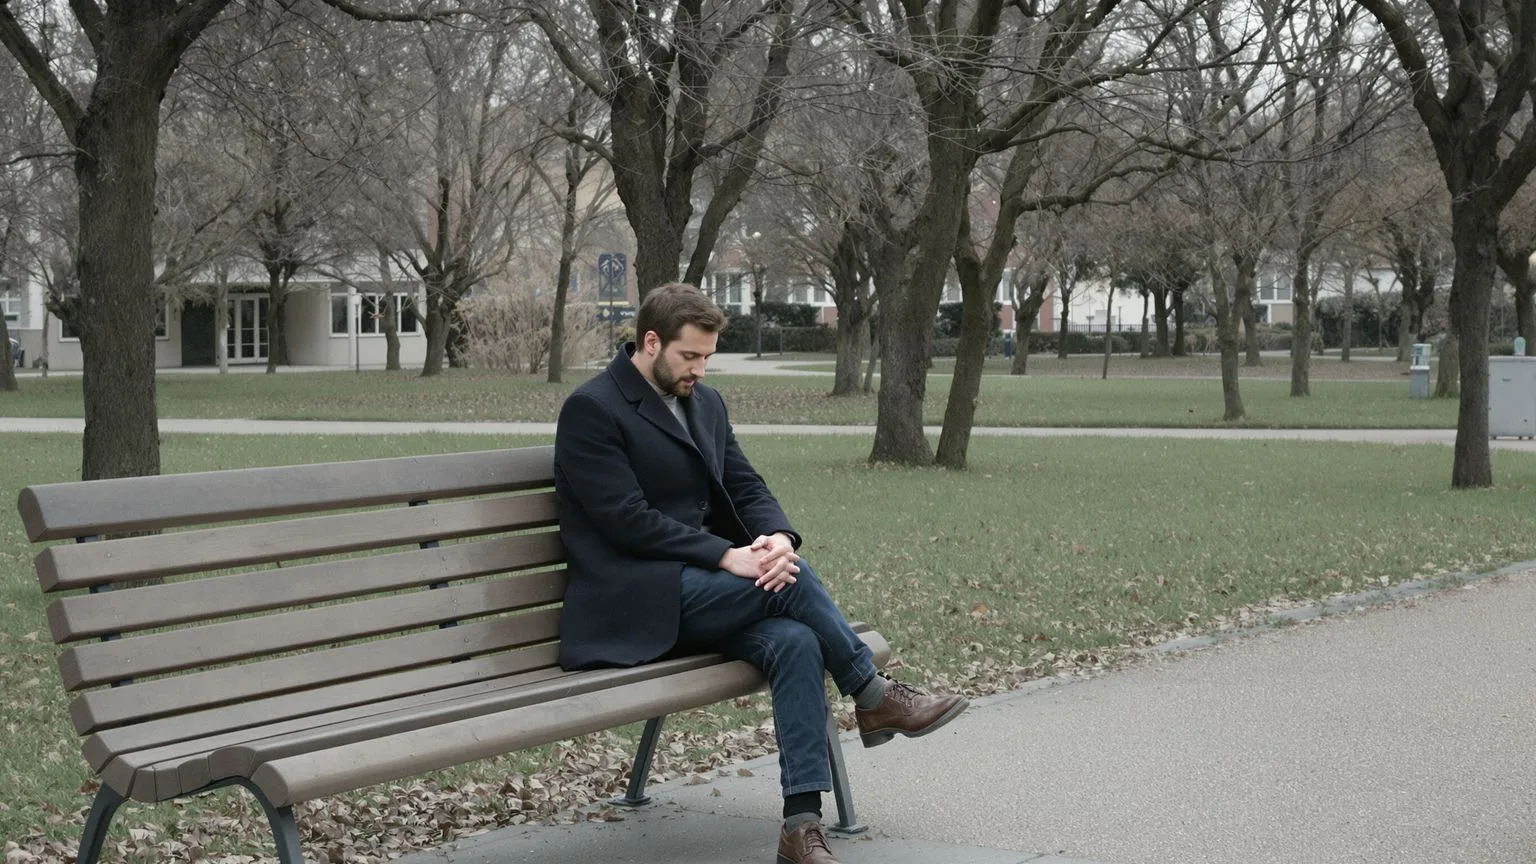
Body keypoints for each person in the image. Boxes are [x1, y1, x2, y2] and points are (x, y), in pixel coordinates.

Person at [554, 283, 968, 864]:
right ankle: (872, 693)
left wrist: (778, 537)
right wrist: (726, 555)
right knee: (790, 583)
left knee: (796, 638)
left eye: (707, 357)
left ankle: (801, 828)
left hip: (703, 594)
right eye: (688, 356)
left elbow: (744, 485)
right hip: (635, 599)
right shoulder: (593, 408)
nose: (699, 369)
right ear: (650, 342)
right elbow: (625, 521)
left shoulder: (706, 402)